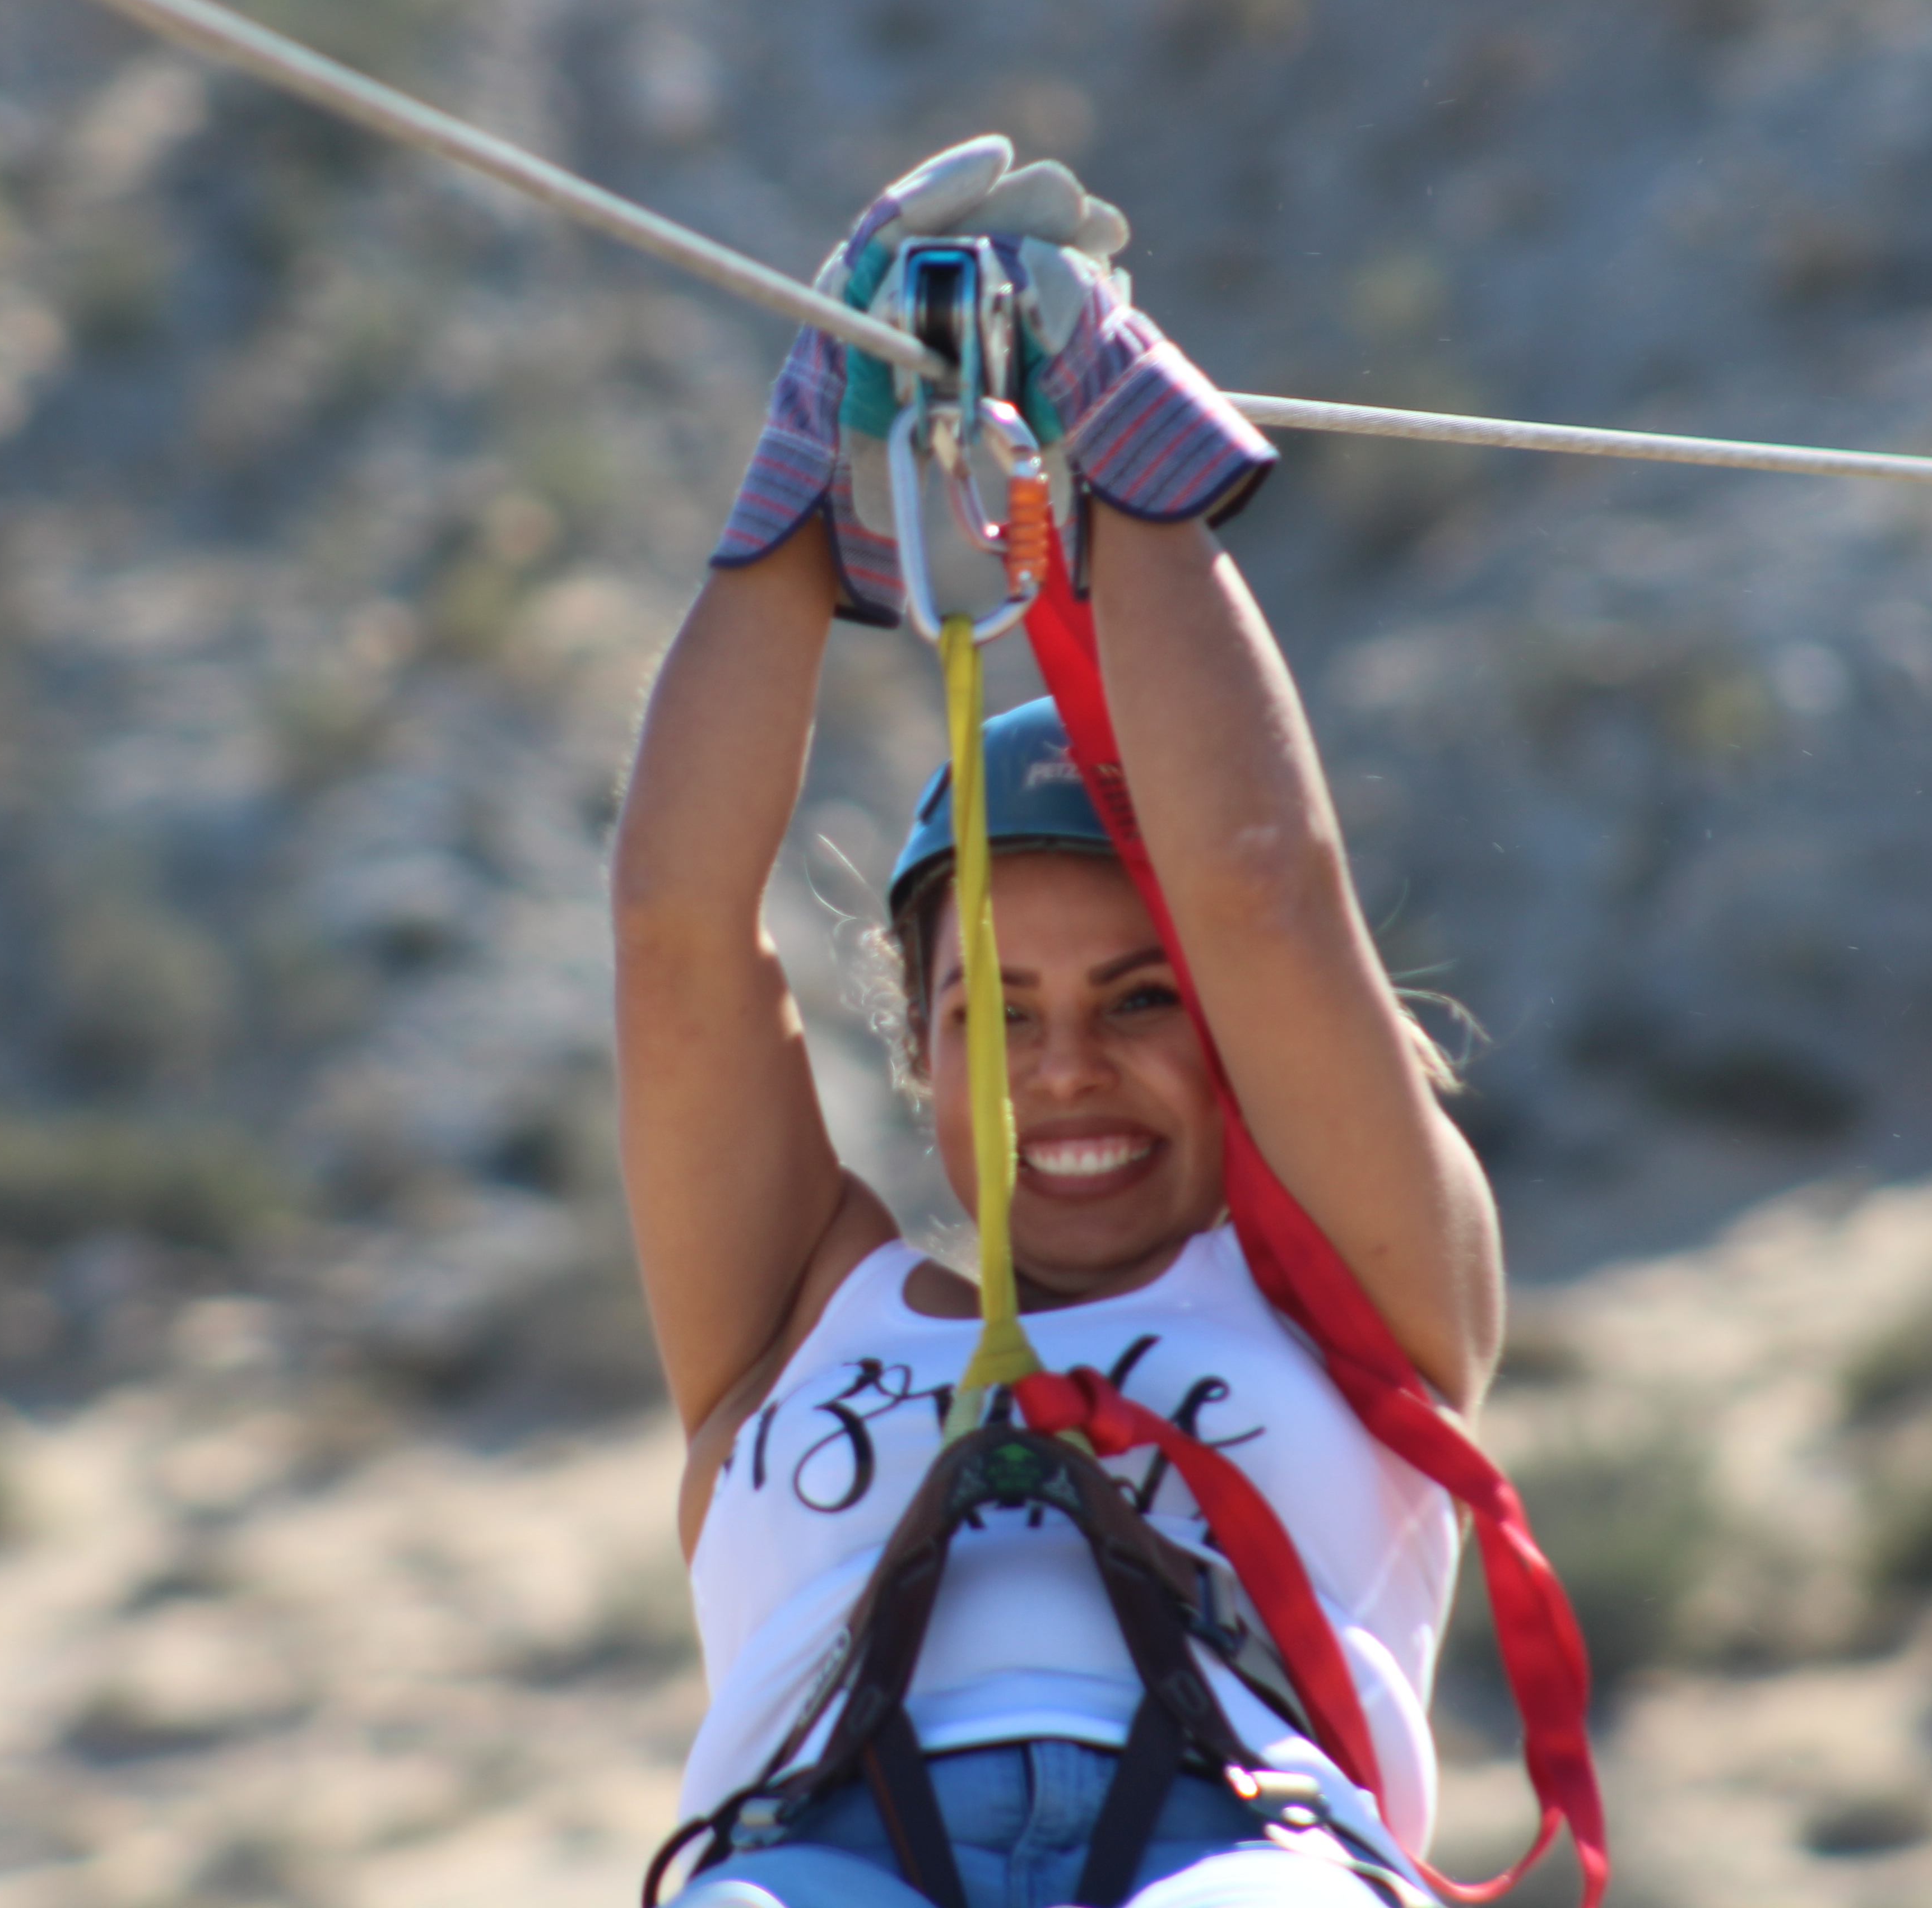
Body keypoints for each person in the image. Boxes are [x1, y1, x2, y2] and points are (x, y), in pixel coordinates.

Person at [610, 140, 1503, 1908]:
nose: (1068, 1066)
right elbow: (674, 939)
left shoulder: (1358, 1290)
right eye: (995, 1012)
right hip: (825, 1851)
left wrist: (1121, 446)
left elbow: (1262, 888)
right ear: (921, 1052)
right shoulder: (793, 1305)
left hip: (1239, 1838)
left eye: (1144, 997)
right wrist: (810, 480)